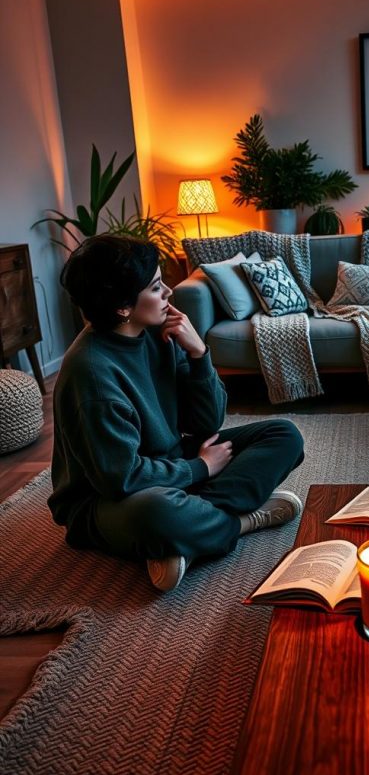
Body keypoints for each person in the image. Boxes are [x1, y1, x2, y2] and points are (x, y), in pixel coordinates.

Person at [49, 235, 304, 592]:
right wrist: (201, 468)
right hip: (104, 500)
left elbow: (206, 423)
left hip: (170, 463)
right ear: (122, 306)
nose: (169, 291)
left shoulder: (160, 331)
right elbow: (120, 479)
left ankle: (188, 532)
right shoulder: (91, 373)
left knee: (283, 435)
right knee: (158, 512)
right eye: (156, 287)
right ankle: (240, 522)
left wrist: (199, 354)